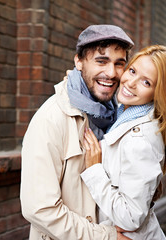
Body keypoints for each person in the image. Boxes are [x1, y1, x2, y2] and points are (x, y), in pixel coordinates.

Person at [20, 25, 134, 239]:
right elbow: (40, 209)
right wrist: (108, 237)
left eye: (119, 64)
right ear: (79, 62)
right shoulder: (52, 118)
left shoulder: (118, 118)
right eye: (101, 61)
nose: (111, 73)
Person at [81, 45, 166, 239]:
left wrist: (95, 170)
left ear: (158, 93)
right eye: (132, 71)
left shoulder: (140, 141)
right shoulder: (125, 113)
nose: (130, 83)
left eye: (146, 82)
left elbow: (130, 218)